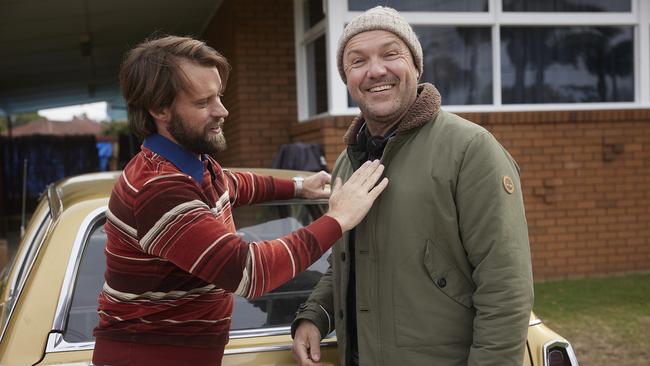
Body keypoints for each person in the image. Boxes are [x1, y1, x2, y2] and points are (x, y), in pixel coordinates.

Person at [92, 35, 388, 366]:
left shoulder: (190, 163)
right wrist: (338, 219)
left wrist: (300, 187)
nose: (223, 110)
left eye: (219, 95)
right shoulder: (158, 189)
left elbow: (231, 184)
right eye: (204, 102)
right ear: (160, 109)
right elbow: (250, 271)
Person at [292, 6, 534, 366]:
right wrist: (316, 313)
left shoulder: (471, 150)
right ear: (347, 78)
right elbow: (344, 261)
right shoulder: (348, 161)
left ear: (416, 66)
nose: (376, 71)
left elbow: (505, 286)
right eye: (358, 61)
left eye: (391, 54)